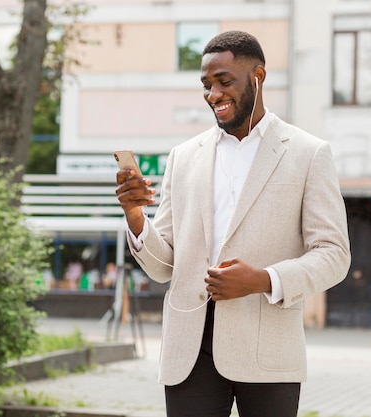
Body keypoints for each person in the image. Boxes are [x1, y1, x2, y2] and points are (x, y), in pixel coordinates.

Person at [116, 30, 351, 417]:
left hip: (268, 348)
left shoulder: (309, 154)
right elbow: (164, 267)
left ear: (257, 76)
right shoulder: (184, 156)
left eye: (225, 82)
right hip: (189, 350)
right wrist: (136, 217)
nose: (214, 95)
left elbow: (333, 255)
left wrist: (264, 279)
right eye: (206, 85)